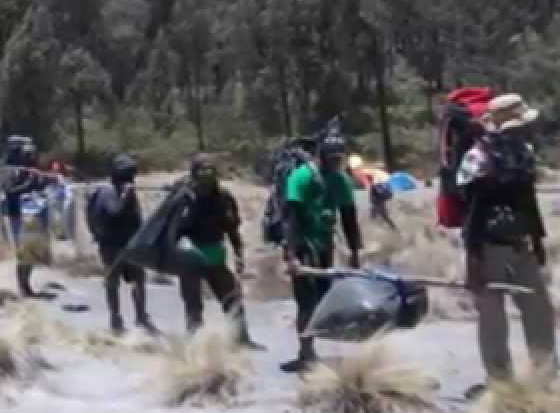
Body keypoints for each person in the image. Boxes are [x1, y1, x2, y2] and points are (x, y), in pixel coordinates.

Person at [456, 93, 558, 396]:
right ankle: (500, 380)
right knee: (492, 312)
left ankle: (544, 373)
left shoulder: (524, 152)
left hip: (520, 240)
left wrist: (537, 239)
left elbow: (528, 200)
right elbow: (472, 208)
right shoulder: (477, 158)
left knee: (538, 306)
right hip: (488, 243)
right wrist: (473, 254)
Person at [280, 131, 363, 373]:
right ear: (321, 156)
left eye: (340, 158)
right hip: (303, 243)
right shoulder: (301, 177)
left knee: (323, 298)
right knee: (305, 300)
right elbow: (290, 218)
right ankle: (305, 352)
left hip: (326, 244)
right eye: (332, 158)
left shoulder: (341, 180)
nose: (337, 163)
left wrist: (355, 252)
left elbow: (349, 217)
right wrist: (292, 254)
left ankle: (316, 343)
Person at [170, 154, 263, 349]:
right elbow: (173, 231)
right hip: (189, 258)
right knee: (194, 305)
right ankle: (195, 344)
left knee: (232, 298)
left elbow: (232, 229)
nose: (206, 175)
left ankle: (240, 339)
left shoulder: (224, 198)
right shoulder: (184, 198)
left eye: (210, 171)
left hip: (215, 256)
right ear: (194, 174)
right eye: (201, 171)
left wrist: (239, 254)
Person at [87, 154, 156, 335]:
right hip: (112, 246)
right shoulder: (109, 193)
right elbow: (115, 213)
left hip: (131, 244)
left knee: (138, 280)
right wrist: (126, 196)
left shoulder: (124, 191)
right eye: (128, 175)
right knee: (113, 282)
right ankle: (115, 318)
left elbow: (136, 218)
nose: (131, 179)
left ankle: (141, 316)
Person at [1, 139, 51, 297]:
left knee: (33, 252)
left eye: (32, 154)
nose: (30, 157)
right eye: (27, 154)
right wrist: (27, 184)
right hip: (18, 215)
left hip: (34, 215)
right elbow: (9, 190)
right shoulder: (11, 171)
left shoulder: (34, 171)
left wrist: (47, 181)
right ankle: (23, 287)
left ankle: (26, 283)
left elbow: (42, 187)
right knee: (24, 253)